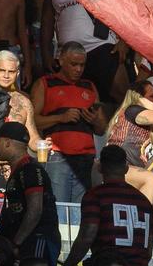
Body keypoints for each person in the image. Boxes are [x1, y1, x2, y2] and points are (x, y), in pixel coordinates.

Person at [59, 145, 153, 266]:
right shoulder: (145, 203)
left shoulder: (95, 196)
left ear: (100, 168)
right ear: (126, 168)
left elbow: (87, 236)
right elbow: (148, 250)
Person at [30, 42, 104, 205]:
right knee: (59, 207)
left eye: (82, 65)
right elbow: (32, 120)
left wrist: (95, 120)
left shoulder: (89, 86)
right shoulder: (45, 83)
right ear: (61, 60)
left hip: (86, 158)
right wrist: (60, 118)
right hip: (58, 156)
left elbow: (101, 129)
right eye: (74, 64)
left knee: (81, 211)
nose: (78, 69)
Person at [0, 121, 61, 266]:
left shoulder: (29, 169)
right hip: (27, 242)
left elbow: (35, 210)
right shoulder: (22, 169)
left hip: (36, 241)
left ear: (7, 143)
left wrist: (16, 243)